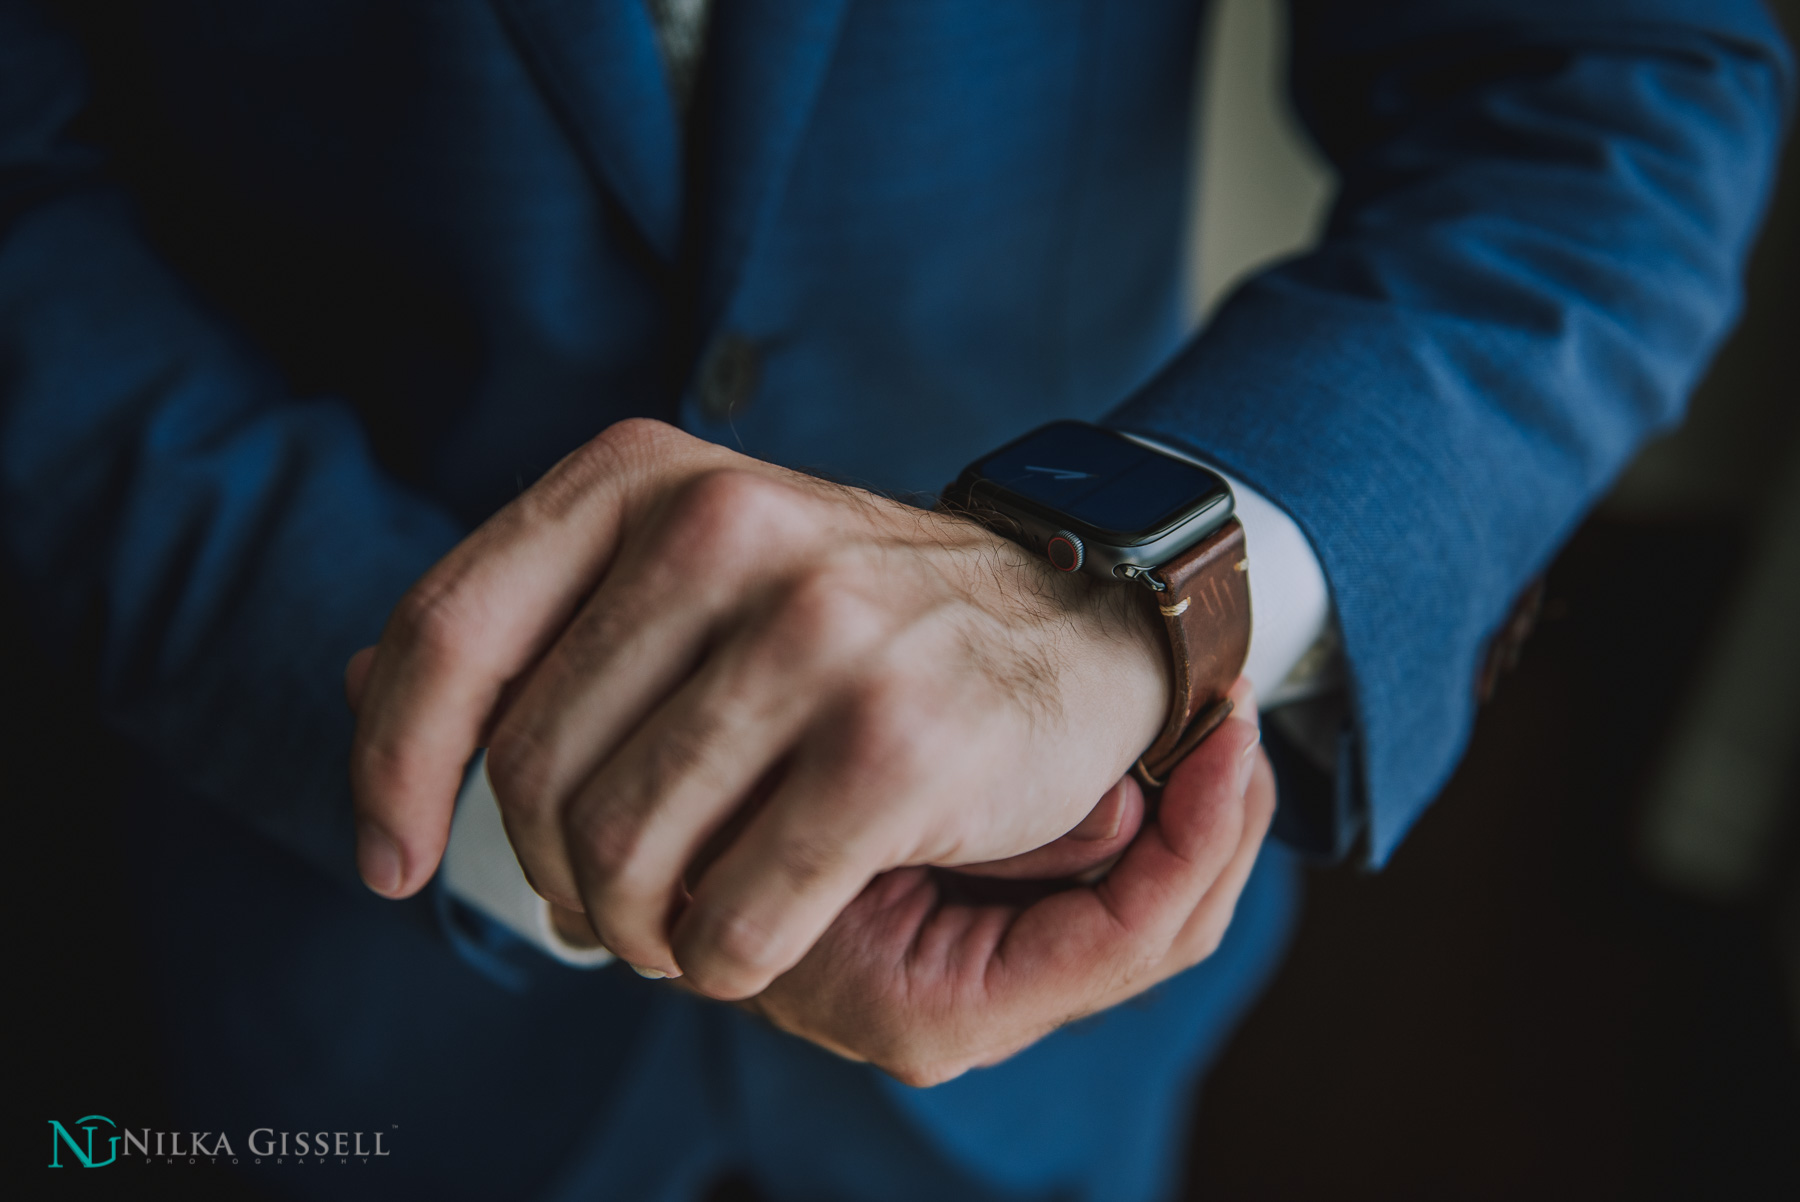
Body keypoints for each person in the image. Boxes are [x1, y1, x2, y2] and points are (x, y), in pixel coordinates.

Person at [2, 1, 1789, 1199]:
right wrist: (490, 740)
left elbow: (1608, 77)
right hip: (304, 983)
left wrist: (1120, 607)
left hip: (1050, 962)